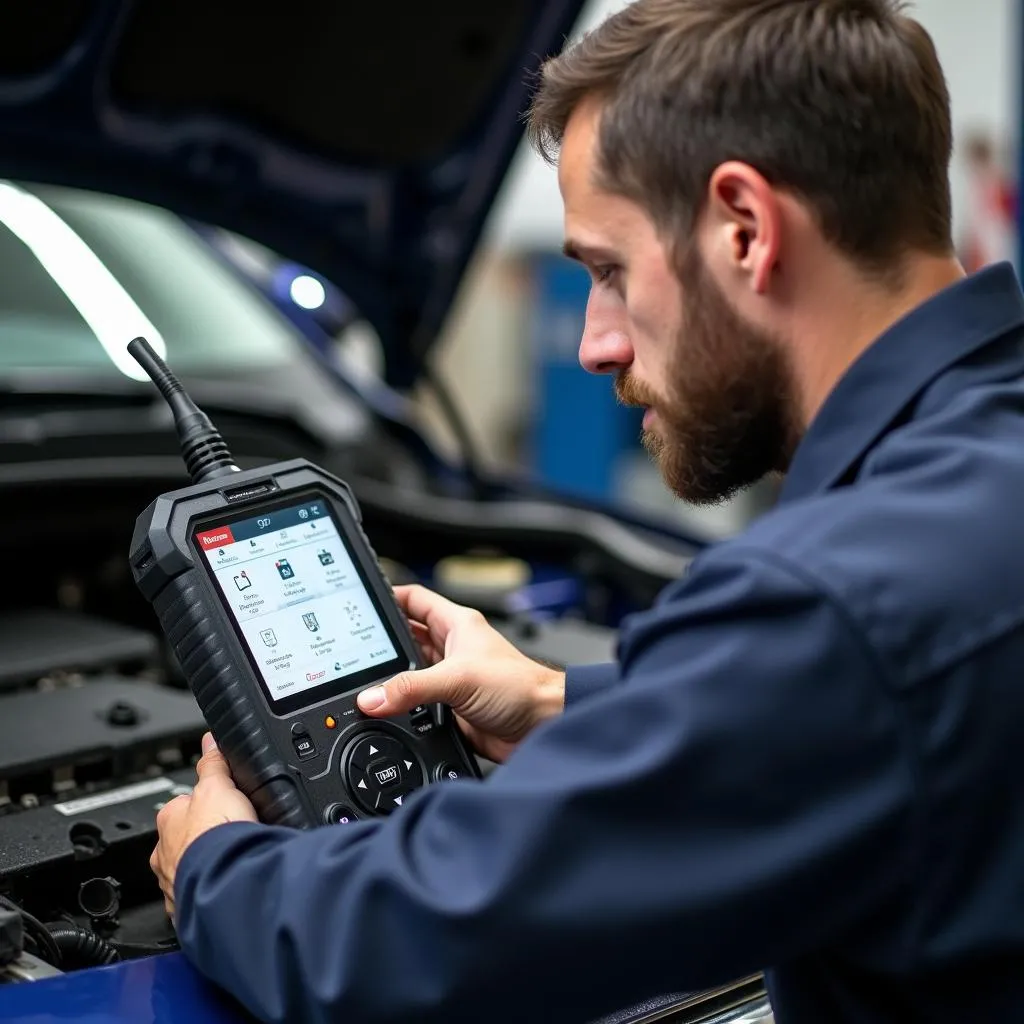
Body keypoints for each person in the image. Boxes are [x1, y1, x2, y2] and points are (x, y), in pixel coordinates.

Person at [151, 1, 1024, 1021]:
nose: (593, 344)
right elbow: (838, 720)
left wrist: (214, 862)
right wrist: (562, 701)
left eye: (607, 271)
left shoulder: (844, 600)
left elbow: (424, 940)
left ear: (744, 227)